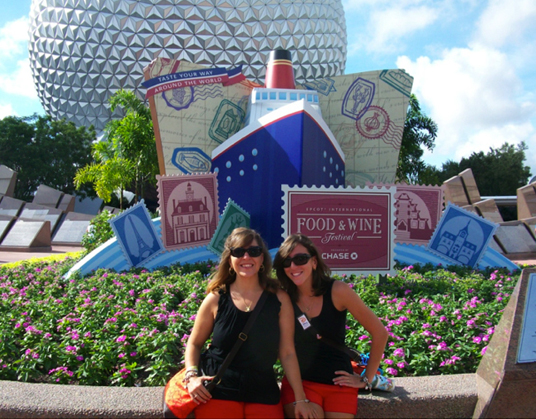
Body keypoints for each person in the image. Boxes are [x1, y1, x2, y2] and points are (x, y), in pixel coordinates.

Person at [183, 227, 318, 419]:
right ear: (230, 259)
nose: (246, 257)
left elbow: (287, 352)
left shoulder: (279, 299)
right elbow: (194, 343)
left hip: (262, 392)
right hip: (218, 391)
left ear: (262, 259)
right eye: (238, 252)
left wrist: (301, 398)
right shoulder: (216, 298)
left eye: (253, 252)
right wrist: (191, 376)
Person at [273, 234, 389, 419]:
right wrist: (300, 398)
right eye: (287, 262)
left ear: (314, 262)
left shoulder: (337, 291)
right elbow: (285, 351)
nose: (293, 266)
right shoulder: (283, 298)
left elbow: (380, 333)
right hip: (301, 383)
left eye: (300, 259)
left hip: (339, 383)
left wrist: (365, 378)